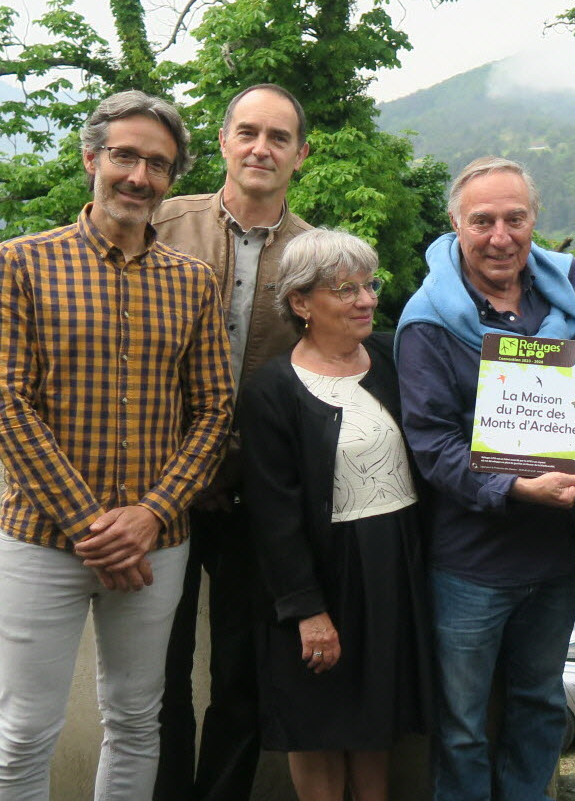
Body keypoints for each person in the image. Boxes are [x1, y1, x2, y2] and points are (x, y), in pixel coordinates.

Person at [0, 90, 232, 799]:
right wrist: (91, 524)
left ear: (171, 178)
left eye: (157, 164)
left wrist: (148, 515)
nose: (138, 176)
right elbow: (7, 402)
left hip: (155, 543)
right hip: (42, 537)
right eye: (125, 156)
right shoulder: (20, 263)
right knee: (20, 735)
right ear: (90, 158)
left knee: (136, 720)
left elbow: (216, 408)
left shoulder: (192, 281)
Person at [395, 157, 575, 801]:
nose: (500, 235)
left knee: (539, 707)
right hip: (468, 564)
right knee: (461, 726)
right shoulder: (429, 320)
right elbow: (431, 445)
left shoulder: (568, 293)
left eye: (515, 218)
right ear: (456, 225)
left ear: (534, 221)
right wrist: (514, 488)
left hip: (548, 560)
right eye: (482, 220)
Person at [152, 82, 313, 801]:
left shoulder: (316, 253)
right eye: (248, 131)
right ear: (221, 141)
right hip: (157, 491)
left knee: (244, 674)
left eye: (279, 137)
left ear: (301, 155)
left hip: (254, 496)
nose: (261, 147)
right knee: (156, 670)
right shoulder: (160, 222)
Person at [237, 228, 432, 801]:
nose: (366, 299)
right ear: (301, 302)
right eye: (345, 289)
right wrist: (307, 611)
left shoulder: (393, 357)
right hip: (322, 577)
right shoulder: (272, 391)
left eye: (369, 285)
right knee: (317, 722)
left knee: (377, 720)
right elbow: (274, 516)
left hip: (392, 565)